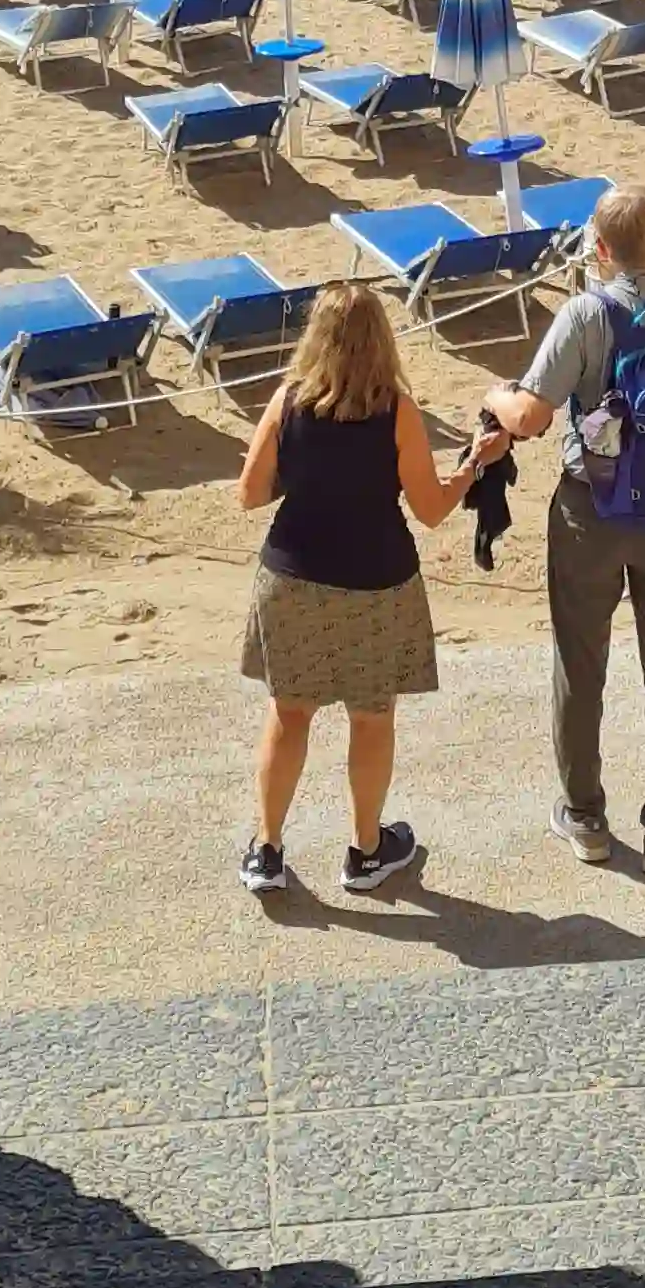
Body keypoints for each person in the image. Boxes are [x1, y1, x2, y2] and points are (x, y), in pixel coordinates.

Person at [478, 186, 645, 874]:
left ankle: (584, 816)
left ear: (600, 250)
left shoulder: (583, 315)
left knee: (581, 663)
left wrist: (495, 396)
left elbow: (533, 416)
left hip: (588, 511)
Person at [235, 283, 500, 896]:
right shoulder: (396, 409)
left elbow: (249, 493)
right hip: (376, 582)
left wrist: (305, 479)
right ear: (381, 339)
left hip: (293, 577)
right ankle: (366, 851)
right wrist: (473, 465)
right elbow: (431, 509)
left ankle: (267, 852)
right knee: (371, 718)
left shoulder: (288, 402)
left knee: (289, 714)